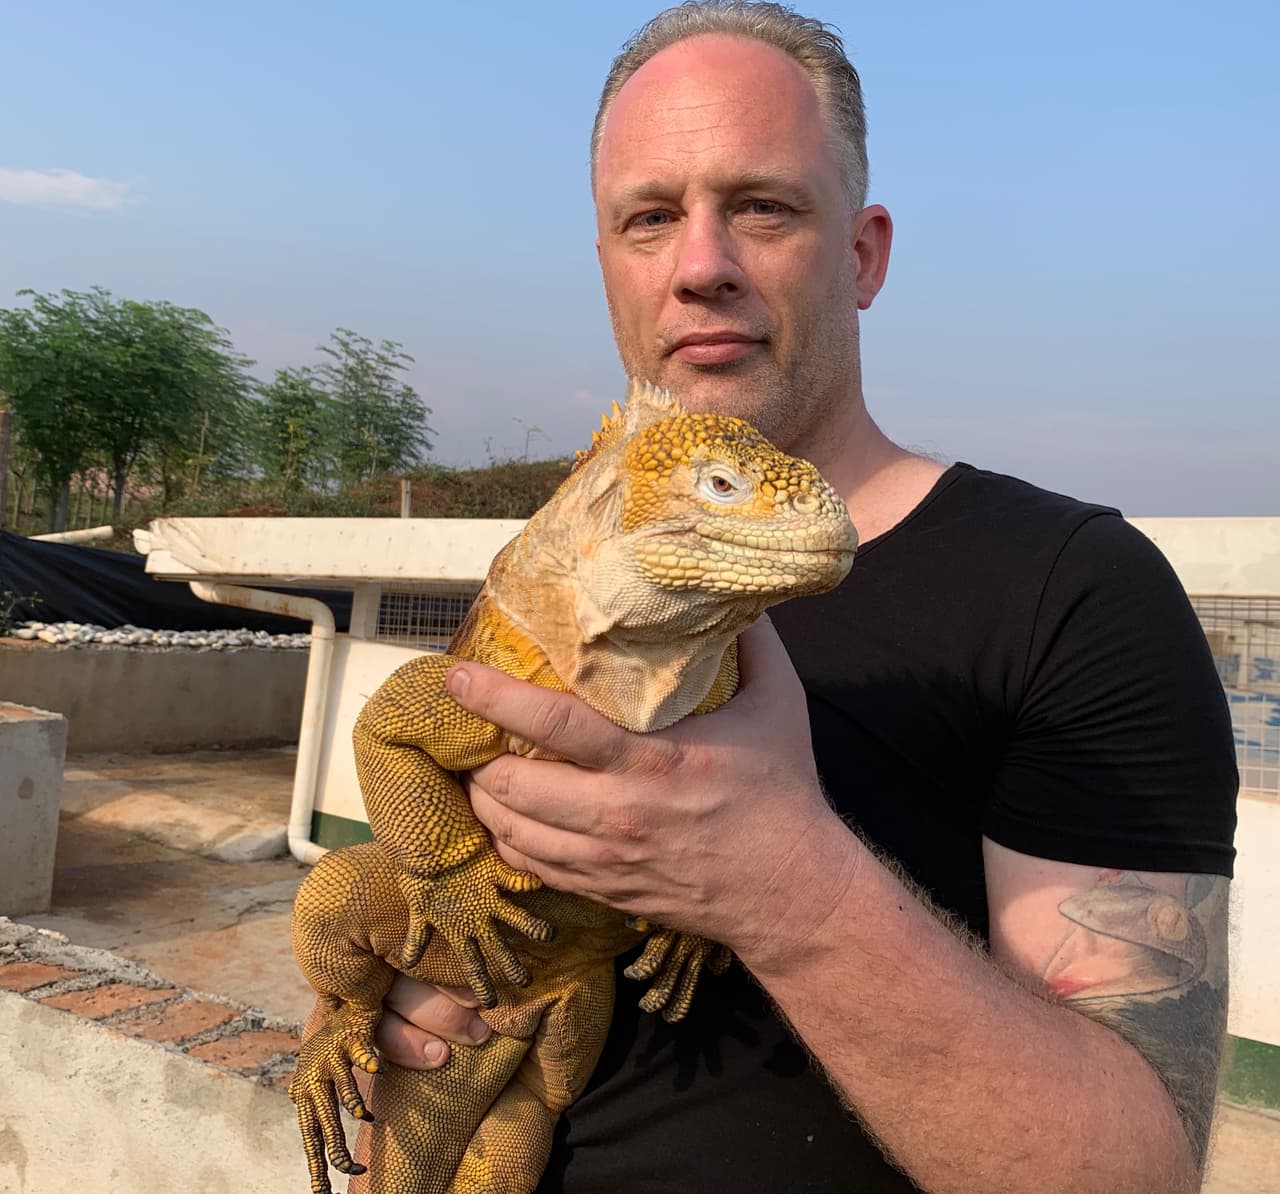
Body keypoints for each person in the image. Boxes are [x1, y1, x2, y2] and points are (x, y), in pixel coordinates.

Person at [368, 3, 1238, 1190]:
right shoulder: (550, 576)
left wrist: (782, 880)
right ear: (609, 270)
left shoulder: (1070, 593)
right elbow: (434, 881)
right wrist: (384, 1009)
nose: (700, 264)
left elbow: (1129, 1173)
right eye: (648, 219)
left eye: (763, 207)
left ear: (864, 252)